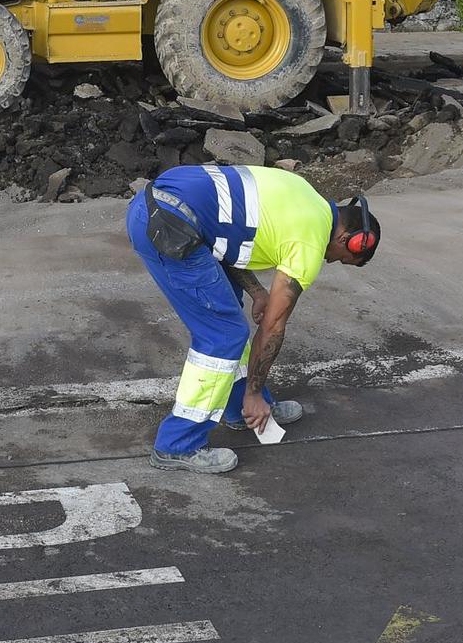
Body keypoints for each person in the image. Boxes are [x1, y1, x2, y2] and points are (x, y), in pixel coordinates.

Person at [126, 163, 381, 473]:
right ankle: (178, 444)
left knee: (228, 316)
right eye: (344, 259)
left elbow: (225, 230)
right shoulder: (310, 242)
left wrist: (257, 291)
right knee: (223, 335)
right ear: (349, 241)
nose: (333, 261)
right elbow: (273, 326)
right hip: (169, 226)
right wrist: (255, 392)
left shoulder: (304, 195)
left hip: (162, 209)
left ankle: (238, 410)